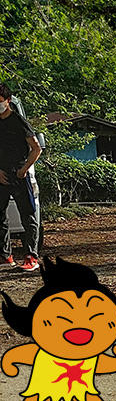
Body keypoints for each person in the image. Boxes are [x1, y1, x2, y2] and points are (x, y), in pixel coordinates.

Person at [0, 82, 42, 272]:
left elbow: (36, 149)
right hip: (1, 175)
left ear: (7, 101)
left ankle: (31, 256)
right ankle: (5, 255)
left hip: (19, 173)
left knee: (28, 215)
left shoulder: (19, 122)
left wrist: (24, 169)